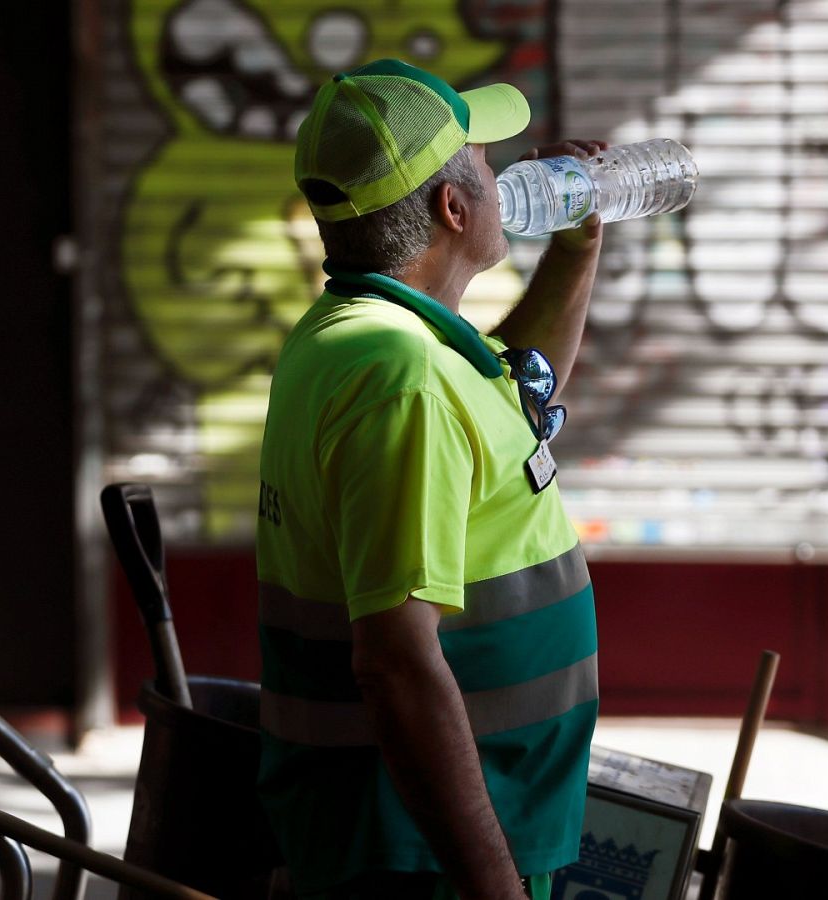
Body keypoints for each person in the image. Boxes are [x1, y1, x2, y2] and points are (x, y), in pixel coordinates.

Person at [255, 58, 605, 900]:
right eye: (484, 163)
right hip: (423, 856)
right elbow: (396, 665)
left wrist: (577, 247)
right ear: (454, 208)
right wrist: (491, 885)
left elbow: (518, 405)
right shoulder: (399, 377)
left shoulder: (383, 335)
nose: (499, 174)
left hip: (437, 833)